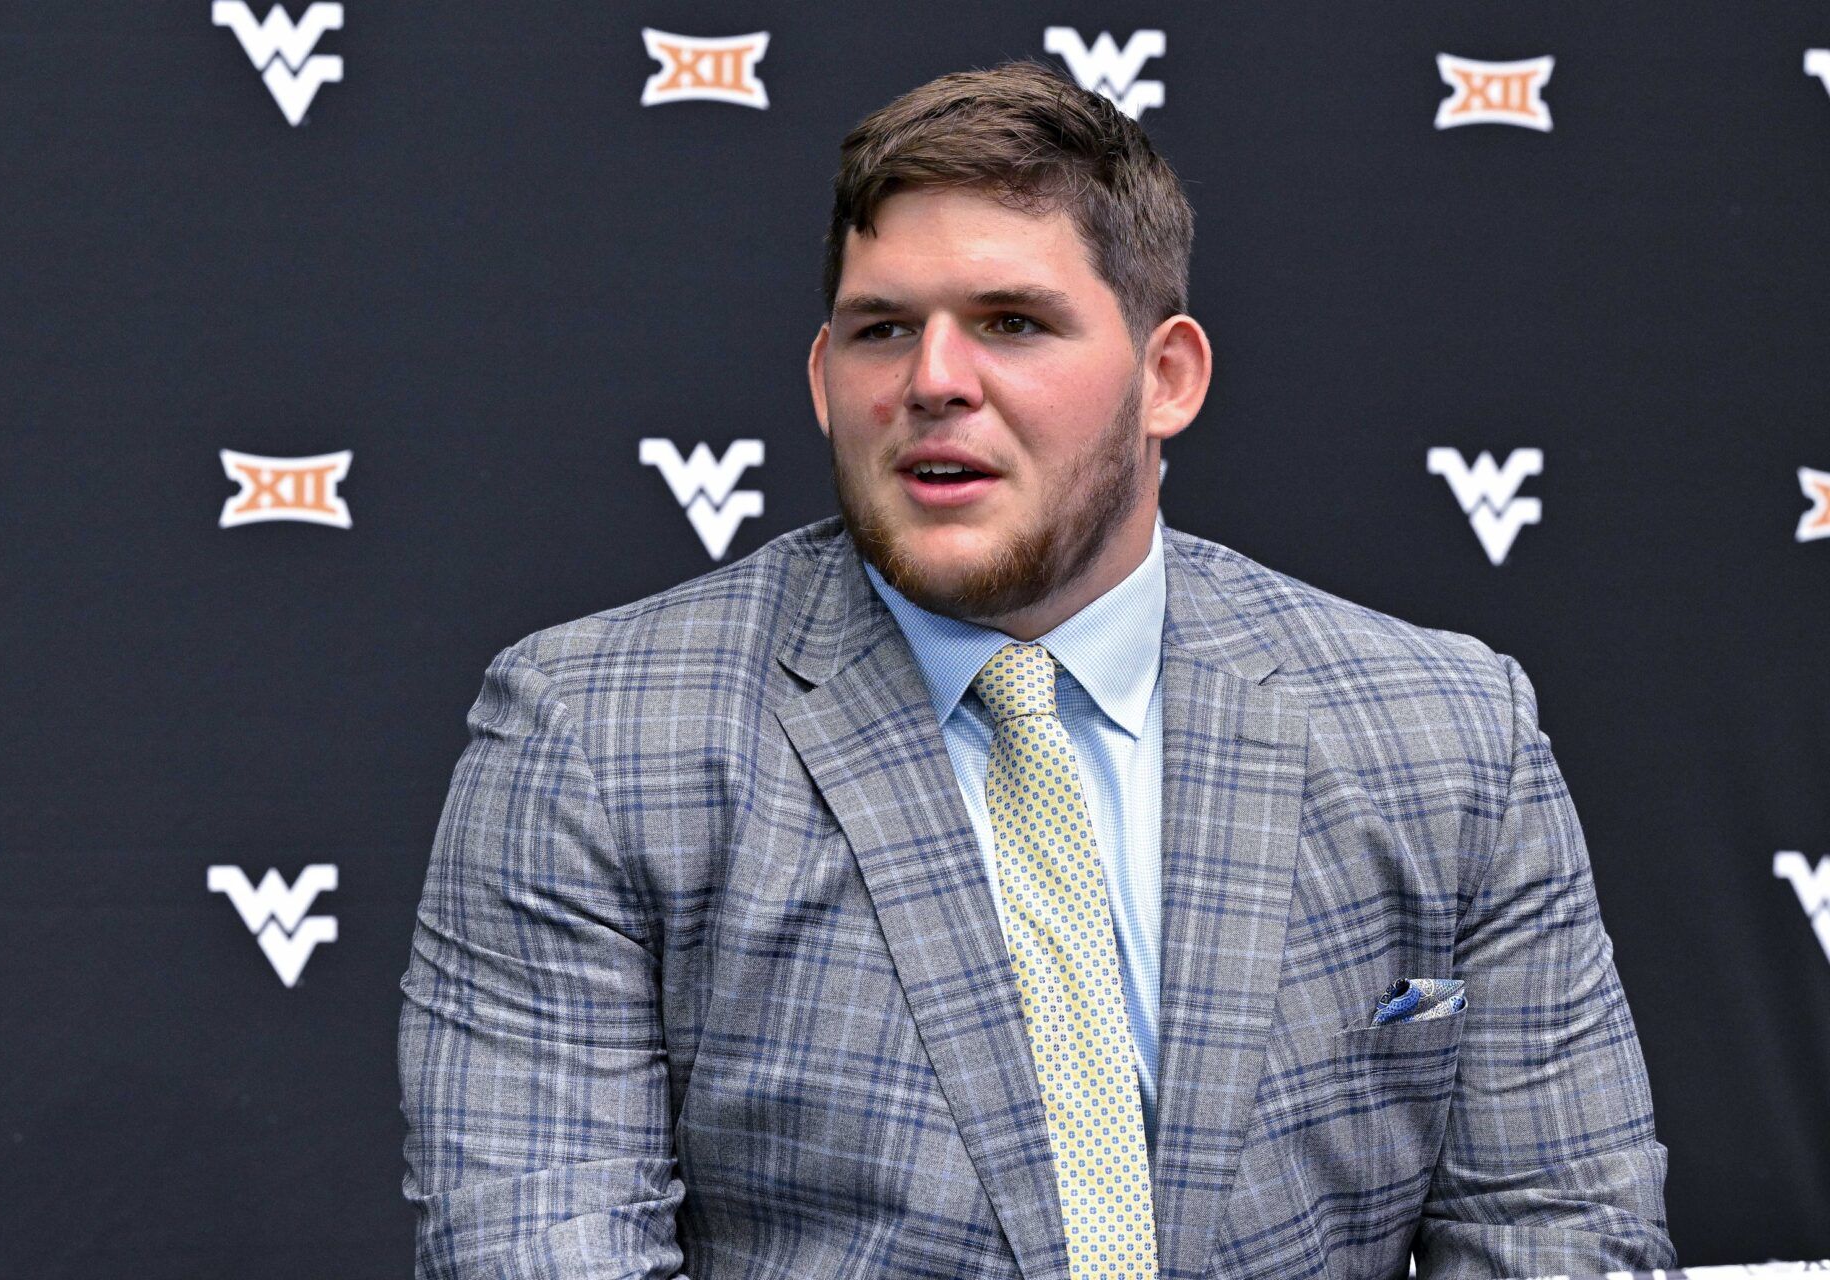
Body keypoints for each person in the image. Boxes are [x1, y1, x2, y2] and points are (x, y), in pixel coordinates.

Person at [398, 60, 1673, 1280]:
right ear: (821, 379)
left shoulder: (1447, 733)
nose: (933, 381)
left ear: (1166, 377)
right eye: (882, 329)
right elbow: (539, 1241)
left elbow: (1556, 1223)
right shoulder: (593, 737)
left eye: (1012, 323)